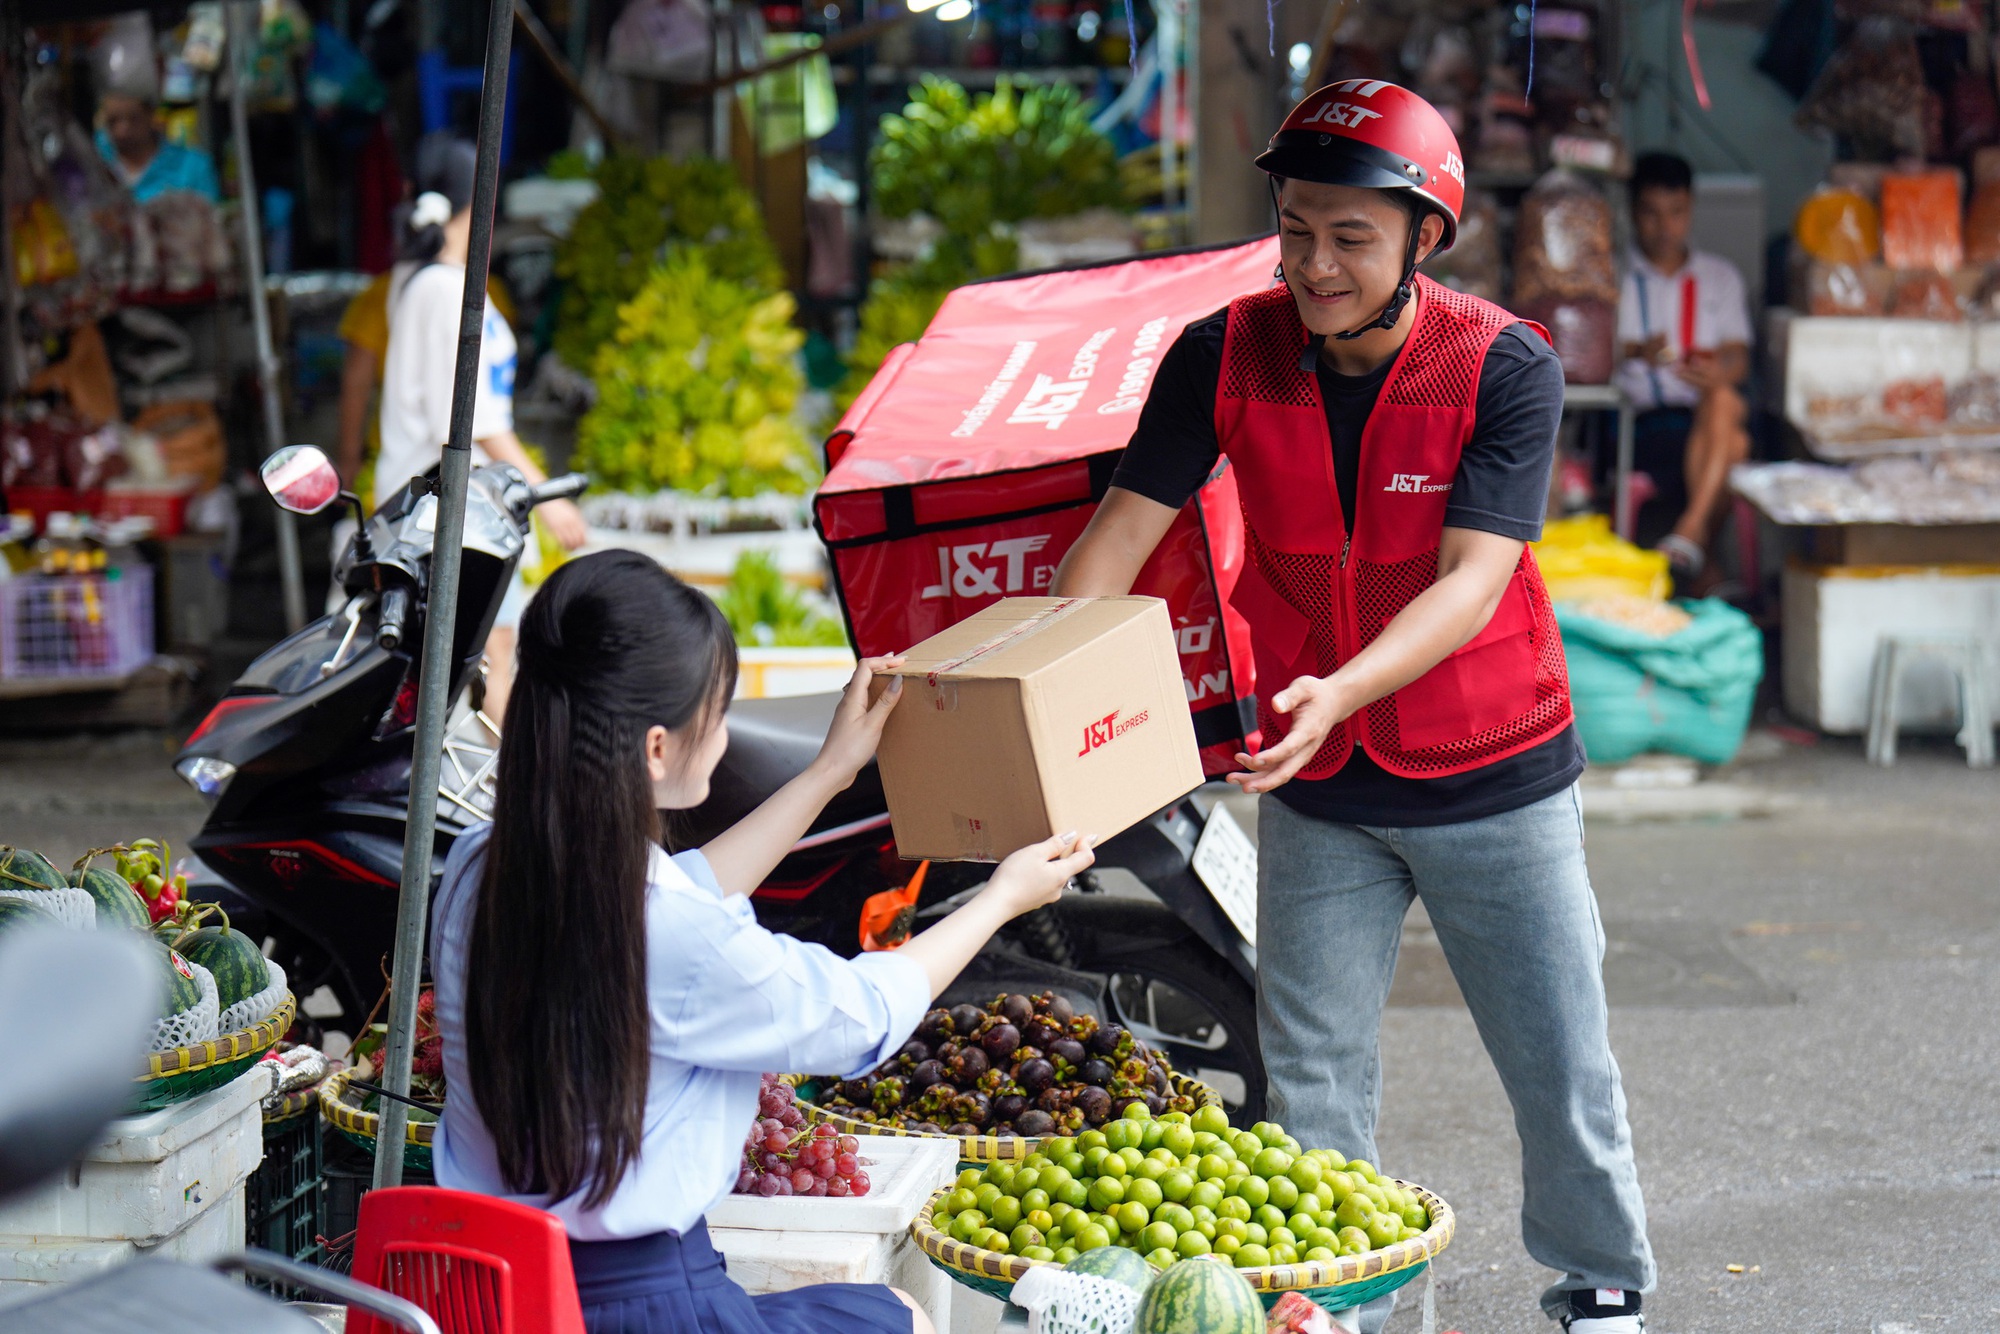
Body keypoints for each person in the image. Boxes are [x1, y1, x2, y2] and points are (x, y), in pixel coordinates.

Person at [1051, 82, 1654, 1333]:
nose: (1314, 265)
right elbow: (1114, 540)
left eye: (1349, 238)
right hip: (1316, 781)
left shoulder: (1503, 363)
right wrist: (1040, 700)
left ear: (1422, 238)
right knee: (1310, 1073)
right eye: (1294, 231)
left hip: (1494, 766)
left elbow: (1473, 578)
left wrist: (1337, 687)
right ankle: (1339, 1307)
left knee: (1556, 1058)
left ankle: (1596, 1281)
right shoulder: (1222, 351)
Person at [430, 550, 1096, 1333]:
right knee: (900, 1319)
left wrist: (829, 773)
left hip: (483, 1289)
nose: (721, 735)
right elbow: (858, 1016)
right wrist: (1000, 899)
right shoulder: (665, 931)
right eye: (715, 714)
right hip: (634, 1304)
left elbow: (682, 894)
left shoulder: (482, 865)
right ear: (654, 748)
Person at [379, 135, 588, 721]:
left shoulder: (425, 282)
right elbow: (474, 420)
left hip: (450, 503)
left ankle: (495, 789)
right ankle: (510, 796)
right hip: (443, 507)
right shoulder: (442, 291)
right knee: (492, 651)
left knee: (483, 652)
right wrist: (547, 497)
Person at [1613, 150, 1753, 587]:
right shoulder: (1612, 276)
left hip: (1700, 417)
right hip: (1641, 427)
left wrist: (1717, 373)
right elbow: (1591, 354)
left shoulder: (1719, 277)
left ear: (1690, 209)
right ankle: (1703, 560)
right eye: (1651, 214)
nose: (1664, 227)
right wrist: (1637, 352)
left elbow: (1738, 357)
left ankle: (1691, 532)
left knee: (1723, 398)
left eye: (1676, 213)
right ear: (1633, 212)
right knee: (1732, 442)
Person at [95, 92, 219, 203]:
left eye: (133, 119)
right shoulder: (93, 166)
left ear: (151, 115)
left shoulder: (192, 166)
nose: (122, 131)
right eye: (112, 121)